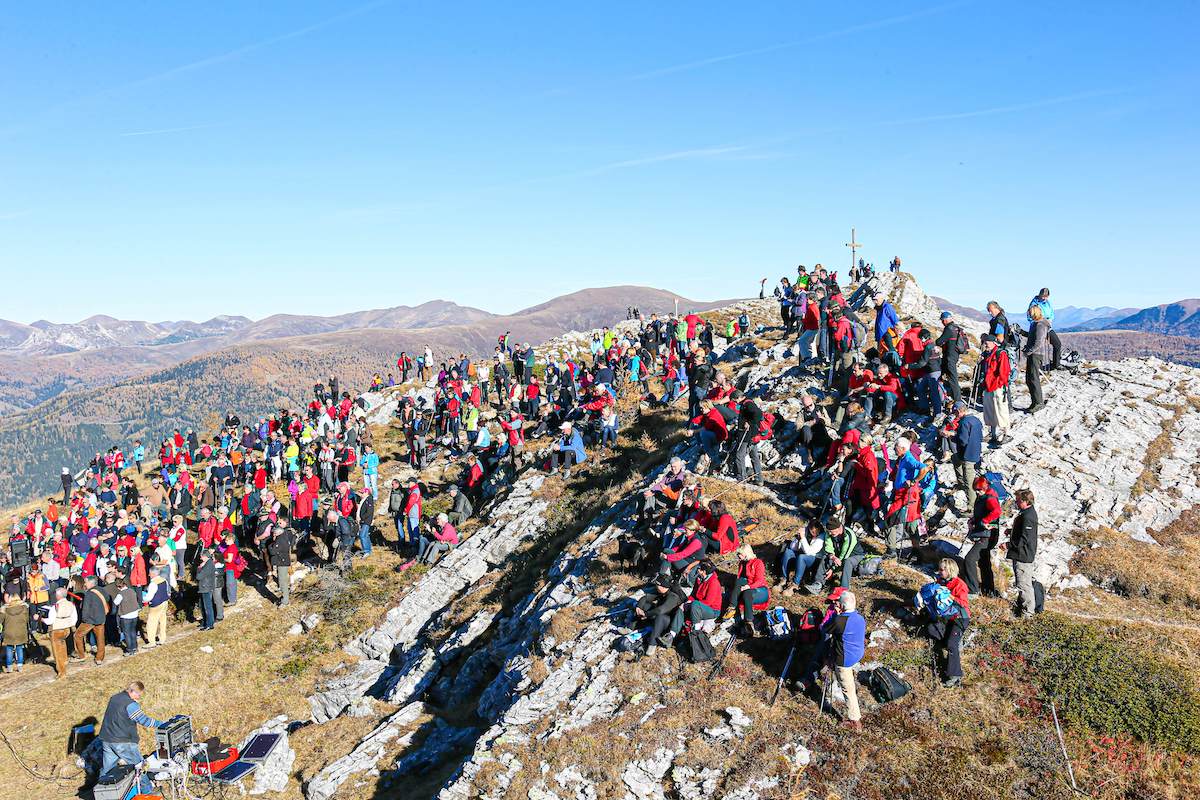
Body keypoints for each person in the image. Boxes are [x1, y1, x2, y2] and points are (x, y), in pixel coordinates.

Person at [917, 559, 970, 688]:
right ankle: (954, 642)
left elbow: (963, 603)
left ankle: (955, 675)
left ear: (950, 570)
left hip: (959, 618)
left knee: (952, 644)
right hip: (945, 618)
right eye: (939, 569)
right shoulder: (940, 582)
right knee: (930, 629)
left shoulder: (959, 584)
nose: (939, 572)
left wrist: (949, 596)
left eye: (942, 570)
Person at [99, 681, 166, 777]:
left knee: (107, 771)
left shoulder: (115, 698)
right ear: (133, 691)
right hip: (123, 742)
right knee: (140, 768)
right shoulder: (130, 705)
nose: (139, 697)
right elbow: (144, 721)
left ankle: (103, 790)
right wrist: (161, 724)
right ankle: (146, 790)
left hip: (107, 740)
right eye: (139, 694)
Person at [823, 588, 865, 731]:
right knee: (848, 684)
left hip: (844, 659)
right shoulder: (859, 617)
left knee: (848, 689)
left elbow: (824, 629)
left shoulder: (840, 620)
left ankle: (855, 720)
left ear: (841, 605)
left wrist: (835, 614)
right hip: (856, 653)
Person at [961, 475, 1001, 597]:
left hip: (987, 535)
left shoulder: (989, 498)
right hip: (985, 534)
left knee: (969, 559)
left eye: (979, 490)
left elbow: (997, 511)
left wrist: (985, 521)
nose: (978, 492)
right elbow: (982, 512)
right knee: (984, 562)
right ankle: (988, 590)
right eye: (976, 490)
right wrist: (974, 520)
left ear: (985, 487)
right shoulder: (984, 496)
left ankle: (972, 589)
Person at [1004, 489, 1039, 618]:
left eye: (1018, 500)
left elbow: (1024, 539)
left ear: (1025, 501)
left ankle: (1027, 613)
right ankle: (1022, 608)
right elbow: (1023, 533)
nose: (1016, 502)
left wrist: (1008, 545)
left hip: (1023, 556)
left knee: (1024, 584)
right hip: (1022, 554)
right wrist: (1012, 531)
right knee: (1023, 583)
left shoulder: (1028, 517)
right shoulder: (1026, 513)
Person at [979, 335, 1012, 446]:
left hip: (997, 387)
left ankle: (1007, 434)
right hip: (989, 386)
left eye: (988, 342)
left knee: (1001, 410)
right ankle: (993, 434)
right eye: (985, 342)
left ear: (994, 342)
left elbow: (1004, 372)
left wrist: (998, 383)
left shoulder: (1000, 354)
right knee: (990, 411)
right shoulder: (988, 354)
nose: (986, 344)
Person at [777, 520, 825, 594]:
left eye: (816, 532)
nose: (814, 534)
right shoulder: (806, 532)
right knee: (788, 551)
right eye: (812, 532)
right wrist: (798, 538)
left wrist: (803, 538)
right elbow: (793, 547)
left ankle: (795, 584)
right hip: (801, 556)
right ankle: (783, 578)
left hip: (813, 560)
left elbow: (809, 552)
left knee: (802, 557)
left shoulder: (821, 537)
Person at [732, 543, 768, 637]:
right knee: (740, 582)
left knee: (747, 593)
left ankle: (749, 621)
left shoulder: (758, 563)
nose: (738, 556)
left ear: (746, 553)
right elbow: (739, 579)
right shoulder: (742, 563)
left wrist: (749, 586)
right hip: (747, 587)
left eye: (739, 554)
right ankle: (731, 607)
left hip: (760, 589)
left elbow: (760, 580)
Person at [73, 574, 108, 665]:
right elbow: (107, 599)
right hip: (101, 618)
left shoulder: (88, 593)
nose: (85, 584)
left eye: (86, 582)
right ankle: (99, 658)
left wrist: (84, 619)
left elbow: (86, 608)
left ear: (90, 583)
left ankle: (81, 655)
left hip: (90, 620)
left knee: (77, 635)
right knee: (100, 639)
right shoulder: (102, 590)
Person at [42, 586, 77, 678]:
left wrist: (41, 619)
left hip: (56, 630)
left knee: (57, 653)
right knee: (63, 646)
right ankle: (65, 661)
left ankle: (61, 672)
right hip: (67, 630)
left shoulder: (55, 607)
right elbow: (74, 619)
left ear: (58, 596)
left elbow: (50, 621)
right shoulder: (71, 604)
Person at [935, 311, 966, 404]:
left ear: (945, 320)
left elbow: (939, 342)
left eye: (942, 320)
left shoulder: (949, 328)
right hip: (954, 355)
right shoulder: (957, 328)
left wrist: (938, 342)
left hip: (949, 357)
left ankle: (957, 400)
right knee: (942, 373)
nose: (942, 322)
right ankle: (944, 394)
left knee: (952, 378)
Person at [1027, 288, 1061, 370]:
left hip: (1047, 326)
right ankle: (1038, 366)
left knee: (1057, 344)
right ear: (1040, 294)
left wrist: (1050, 319)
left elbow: (1051, 312)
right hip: (1040, 326)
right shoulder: (1034, 304)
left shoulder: (1047, 303)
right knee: (1039, 345)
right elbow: (1031, 316)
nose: (1044, 298)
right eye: (1043, 296)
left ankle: (1056, 364)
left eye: (1046, 296)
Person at [1023, 305, 1049, 413]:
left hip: (1036, 355)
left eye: (1030, 313)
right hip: (1033, 354)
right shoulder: (1036, 324)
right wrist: (1021, 332)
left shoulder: (1040, 325)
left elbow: (1038, 342)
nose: (1028, 315)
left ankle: (1038, 403)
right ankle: (1035, 402)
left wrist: (1028, 351)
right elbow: (1032, 336)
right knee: (1030, 379)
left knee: (1034, 379)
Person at [143, 569, 170, 647]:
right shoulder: (164, 580)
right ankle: (162, 638)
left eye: (150, 574)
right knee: (162, 621)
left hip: (156, 605)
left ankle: (151, 642)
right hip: (164, 602)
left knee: (151, 623)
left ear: (153, 574)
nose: (149, 575)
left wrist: (142, 599)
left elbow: (149, 597)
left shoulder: (153, 584)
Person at [3, 591, 28, 672]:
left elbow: (0, 620)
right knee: (19, 648)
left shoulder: (5, 609)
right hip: (20, 632)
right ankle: (20, 666)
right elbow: (27, 620)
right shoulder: (24, 609)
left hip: (9, 632)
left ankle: (9, 667)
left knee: (9, 648)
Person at [267, 524, 293, 606]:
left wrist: (270, 545)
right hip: (282, 562)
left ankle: (285, 601)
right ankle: (284, 597)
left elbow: (272, 551)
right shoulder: (283, 537)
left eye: (274, 533)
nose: (272, 534)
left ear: (277, 533)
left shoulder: (280, 540)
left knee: (283, 582)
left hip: (282, 563)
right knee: (281, 580)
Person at [196, 549, 219, 630]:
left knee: (207, 606)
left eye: (201, 557)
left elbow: (199, 576)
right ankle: (205, 622)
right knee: (203, 606)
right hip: (205, 587)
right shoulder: (208, 563)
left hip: (206, 587)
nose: (200, 558)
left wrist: (199, 568)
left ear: (205, 556)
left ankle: (209, 624)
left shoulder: (208, 565)